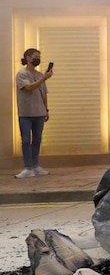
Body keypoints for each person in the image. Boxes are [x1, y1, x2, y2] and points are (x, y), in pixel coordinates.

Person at [15, 48, 52, 178]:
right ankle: (28, 167)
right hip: (25, 113)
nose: (38, 59)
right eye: (35, 56)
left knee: (37, 140)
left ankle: (36, 165)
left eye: (39, 56)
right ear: (28, 58)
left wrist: (46, 110)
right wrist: (44, 79)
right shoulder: (22, 74)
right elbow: (29, 88)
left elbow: (44, 94)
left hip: (39, 113)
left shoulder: (39, 75)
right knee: (26, 140)